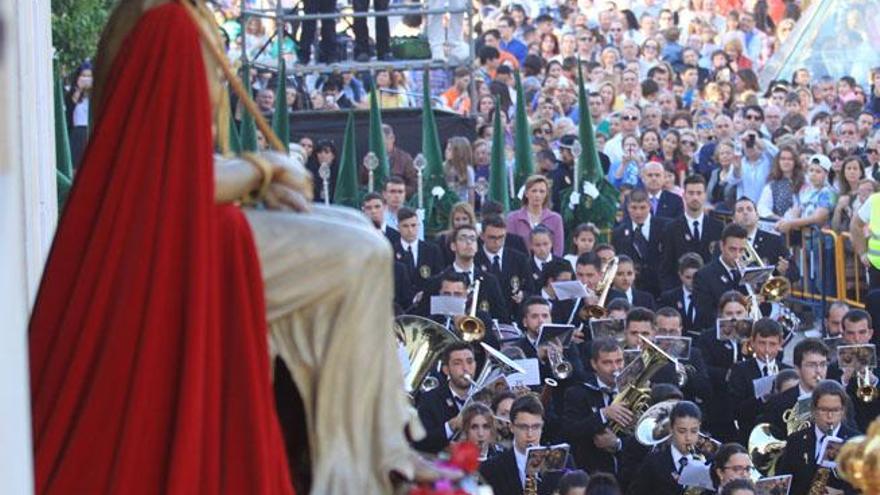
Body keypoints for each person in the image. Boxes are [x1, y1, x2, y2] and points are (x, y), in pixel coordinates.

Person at [33, 2, 447, 494]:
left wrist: (257, 178)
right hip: (171, 248)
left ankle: (373, 442)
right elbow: (163, 169)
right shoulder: (168, 24)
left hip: (178, 231)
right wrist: (262, 169)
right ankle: (357, 465)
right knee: (362, 254)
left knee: (356, 227)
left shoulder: (168, 16)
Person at [776, 380, 860, 495]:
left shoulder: (857, 442)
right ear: (814, 410)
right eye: (824, 410)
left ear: (843, 411)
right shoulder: (796, 441)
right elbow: (783, 484)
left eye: (835, 410)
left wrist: (841, 493)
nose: (830, 417)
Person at [479, 394, 571, 495]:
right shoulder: (491, 469)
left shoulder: (563, 460)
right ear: (511, 427)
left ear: (542, 426)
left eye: (536, 427)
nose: (530, 434)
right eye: (523, 427)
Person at [562, 338, 628, 474]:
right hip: (591, 472)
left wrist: (618, 444)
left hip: (627, 473)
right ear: (594, 364)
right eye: (607, 363)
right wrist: (603, 415)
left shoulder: (632, 391)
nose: (615, 368)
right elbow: (569, 432)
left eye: (619, 361)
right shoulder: (577, 393)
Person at [727, 318, 791, 445]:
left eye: (772, 344)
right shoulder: (740, 370)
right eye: (762, 343)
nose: (767, 350)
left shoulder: (787, 371)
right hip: (750, 435)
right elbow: (735, 409)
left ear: (780, 345)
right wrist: (762, 398)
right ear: (752, 343)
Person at [628, 401, 706, 495]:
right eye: (682, 431)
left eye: (694, 431)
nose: (688, 438)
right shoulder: (653, 462)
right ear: (671, 429)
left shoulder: (707, 461)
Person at [758, 338, 830, 438]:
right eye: (811, 365)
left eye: (823, 364)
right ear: (797, 369)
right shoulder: (778, 403)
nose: (819, 371)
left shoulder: (840, 399)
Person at [662, 175, 724, 290]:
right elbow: (667, 267)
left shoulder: (718, 228)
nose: (695, 197)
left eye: (699, 193)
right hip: (680, 292)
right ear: (684, 195)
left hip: (711, 292)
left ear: (705, 195)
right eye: (691, 193)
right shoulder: (671, 229)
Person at [413, 342, 476, 454]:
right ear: (446, 370)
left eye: (470, 362)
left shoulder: (482, 398)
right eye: (457, 363)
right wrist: (450, 427)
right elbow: (420, 441)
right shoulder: (430, 399)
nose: (466, 368)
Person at [476, 215, 534, 320]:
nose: (497, 242)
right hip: (483, 318)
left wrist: (523, 295)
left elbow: (531, 289)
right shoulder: (474, 259)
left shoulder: (519, 259)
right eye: (492, 237)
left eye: (501, 237)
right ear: (482, 236)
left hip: (513, 317)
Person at [612, 189, 668, 298]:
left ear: (650, 206)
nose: (638, 212)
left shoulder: (665, 227)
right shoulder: (619, 233)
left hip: (661, 290)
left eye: (642, 207)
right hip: (633, 292)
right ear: (628, 208)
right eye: (634, 208)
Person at [692, 224, 749, 328]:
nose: (737, 255)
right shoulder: (704, 275)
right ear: (722, 246)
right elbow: (705, 315)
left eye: (741, 250)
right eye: (732, 249)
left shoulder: (749, 272)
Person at [508, 175, 566, 256]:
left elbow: (558, 250)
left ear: (546, 194)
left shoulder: (556, 219)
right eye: (534, 191)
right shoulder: (513, 218)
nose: (537, 195)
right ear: (526, 193)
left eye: (542, 191)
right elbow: (510, 248)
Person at [394, 207, 443, 296]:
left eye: (413, 225)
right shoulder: (392, 251)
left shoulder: (432, 250)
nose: (410, 230)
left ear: (418, 225)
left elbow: (438, 278)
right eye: (405, 226)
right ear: (398, 227)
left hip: (426, 303)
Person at [658, 253, 704, 336]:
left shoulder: (708, 298)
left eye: (696, 277)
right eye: (688, 277)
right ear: (680, 275)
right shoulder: (669, 298)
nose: (692, 282)